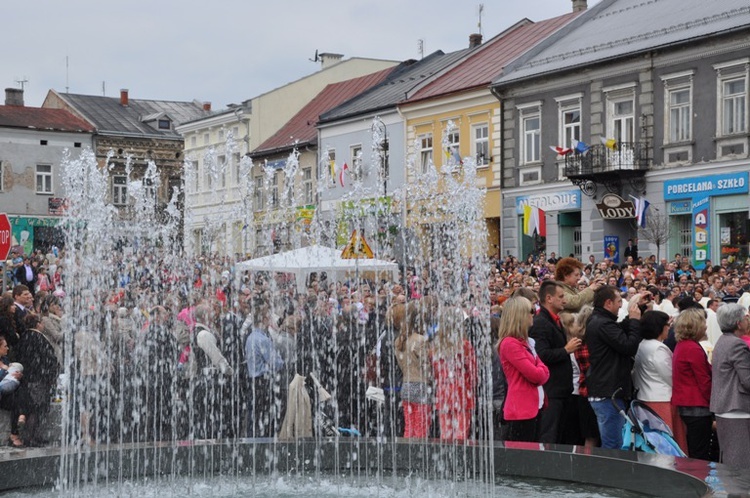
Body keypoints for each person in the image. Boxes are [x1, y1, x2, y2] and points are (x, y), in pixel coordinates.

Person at [585, 285, 643, 449]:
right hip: (608, 393)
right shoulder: (602, 324)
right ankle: (609, 474)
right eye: (618, 302)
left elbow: (618, 331)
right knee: (614, 444)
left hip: (607, 390)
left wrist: (639, 307)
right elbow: (628, 346)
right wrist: (634, 321)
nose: (620, 305)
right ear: (608, 303)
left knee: (614, 441)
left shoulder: (601, 321)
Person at [529, 281, 580, 444]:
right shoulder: (541, 323)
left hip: (561, 391)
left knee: (560, 436)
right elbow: (541, 355)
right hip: (551, 391)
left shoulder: (555, 320)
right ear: (549, 298)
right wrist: (565, 350)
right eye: (561, 296)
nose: (564, 300)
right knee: (549, 435)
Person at [632, 310, 686, 452]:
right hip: (662, 400)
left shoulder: (642, 344)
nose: (669, 328)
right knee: (666, 442)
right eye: (667, 325)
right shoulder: (659, 348)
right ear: (659, 327)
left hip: (645, 396)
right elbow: (670, 375)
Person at [499, 297, 550, 442]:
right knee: (522, 457)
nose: (533, 314)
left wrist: (541, 370)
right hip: (521, 410)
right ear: (520, 314)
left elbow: (543, 370)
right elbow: (537, 375)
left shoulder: (525, 342)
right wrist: (541, 370)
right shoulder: (510, 344)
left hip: (532, 408)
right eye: (530, 311)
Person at [710, 304, 750, 469]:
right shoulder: (736, 344)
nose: (748, 320)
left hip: (726, 406)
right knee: (740, 463)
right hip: (736, 408)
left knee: (732, 459)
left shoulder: (724, 340)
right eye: (746, 317)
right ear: (738, 323)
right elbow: (748, 380)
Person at [672, 308, 713, 460]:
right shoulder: (693, 348)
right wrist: (714, 402)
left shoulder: (682, 345)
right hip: (697, 406)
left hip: (686, 404)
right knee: (699, 452)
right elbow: (704, 380)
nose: (706, 326)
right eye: (703, 323)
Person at [431, 307, 476, 441]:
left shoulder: (436, 347)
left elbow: (435, 372)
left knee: (445, 432)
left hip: (443, 391)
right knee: (461, 432)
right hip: (462, 390)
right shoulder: (464, 345)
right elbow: (473, 371)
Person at [245, 298, 284, 438]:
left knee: (254, 417)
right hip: (263, 382)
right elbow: (277, 363)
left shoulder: (250, 337)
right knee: (265, 418)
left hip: (253, 381)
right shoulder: (263, 340)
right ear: (264, 319)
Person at [395, 300, 432, 438]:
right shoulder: (420, 340)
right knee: (421, 426)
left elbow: (400, 364)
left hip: (406, 384)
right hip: (420, 384)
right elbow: (425, 365)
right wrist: (431, 379)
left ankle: (406, 453)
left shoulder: (399, 340)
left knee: (409, 426)